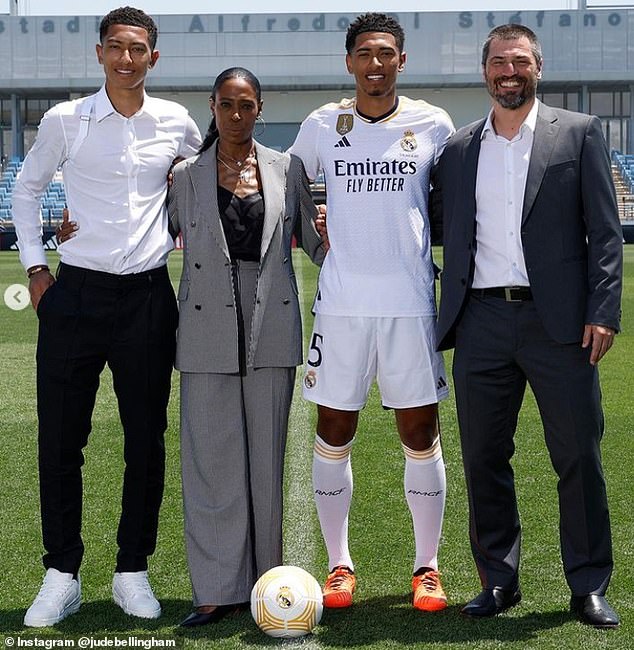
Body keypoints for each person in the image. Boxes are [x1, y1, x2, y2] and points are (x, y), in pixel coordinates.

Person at [12, 6, 201, 627]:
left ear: (154, 56)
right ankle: (61, 573)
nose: (127, 58)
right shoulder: (66, 120)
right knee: (62, 440)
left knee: (145, 439)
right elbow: (29, 186)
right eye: (116, 47)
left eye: (138, 48)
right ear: (100, 55)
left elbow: (200, 180)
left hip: (148, 298)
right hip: (76, 297)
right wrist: (37, 268)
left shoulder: (175, 121)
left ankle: (131, 571)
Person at [431, 24, 622, 628]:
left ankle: (588, 584)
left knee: (577, 456)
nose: (507, 72)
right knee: (484, 457)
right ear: (483, 71)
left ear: (538, 67)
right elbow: (435, 224)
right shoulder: (459, 149)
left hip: (559, 323)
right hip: (481, 319)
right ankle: (499, 580)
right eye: (497, 62)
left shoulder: (579, 133)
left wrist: (602, 310)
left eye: (519, 62)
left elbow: (606, 233)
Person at [289, 13, 454, 611]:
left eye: (386, 53)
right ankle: (339, 564)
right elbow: (286, 183)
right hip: (342, 307)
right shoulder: (320, 125)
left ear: (401, 62)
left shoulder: (432, 123)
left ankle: (427, 568)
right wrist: (314, 228)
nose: (375, 63)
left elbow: (452, 197)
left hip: (410, 303)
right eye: (364, 53)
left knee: (420, 432)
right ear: (350, 62)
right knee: (334, 429)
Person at [167, 67, 325, 627]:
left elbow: (315, 245)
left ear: (261, 108)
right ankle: (215, 590)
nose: (236, 116)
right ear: (212, 106)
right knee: (211, 460)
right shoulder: (184, 176)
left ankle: (268, 583)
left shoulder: (289, 168)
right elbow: (148, 235)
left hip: (273, 324)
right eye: (227, 105)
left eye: (247, 106)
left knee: (267, 459)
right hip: (205, 326)